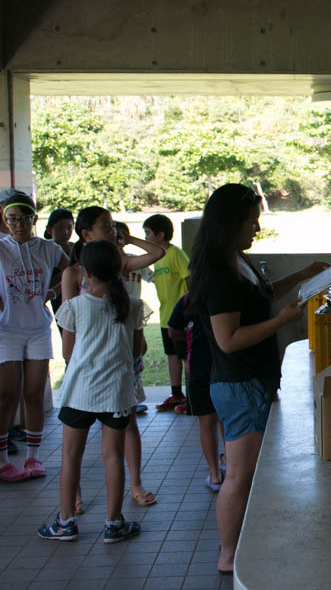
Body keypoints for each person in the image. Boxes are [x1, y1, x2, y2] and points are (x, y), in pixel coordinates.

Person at [188, 183, 328, 574]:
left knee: (247, 473)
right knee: (239, 474)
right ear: (231, 224)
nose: (257, 229)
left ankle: (239, 545)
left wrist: (303, 276)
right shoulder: (219, 274)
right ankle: (228, 554)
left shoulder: (237, 261)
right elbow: (228, 340)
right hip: (239, 384)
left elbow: (260, 297)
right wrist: (281, 322)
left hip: (252, 382)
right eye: (252, 222)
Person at [37, 241, 143, 542]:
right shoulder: (132, 306)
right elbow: (136, 351)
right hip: (117, 393)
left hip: (79, 392)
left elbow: (68, 353)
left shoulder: (74, 307)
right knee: (113, 457)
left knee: (70, 456)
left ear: (84, 272)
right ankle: (114, 523)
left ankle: (66, 522)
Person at [62, 207, 164, 508]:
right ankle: (101, 511)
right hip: (101, 370)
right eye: (106, 226)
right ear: (86, 234)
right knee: (105, 451)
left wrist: (128, 237)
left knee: (86, 447)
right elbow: (74, 327)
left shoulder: (118, 265)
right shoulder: (76, 275)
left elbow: (158, 252)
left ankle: (132, 484)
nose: (112, 230)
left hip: (106, 370)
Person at [0, 194, 70, 482]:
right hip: (6, 331)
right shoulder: (1, 248)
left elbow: (72, 269)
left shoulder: (48, 248)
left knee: (33, 393)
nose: (18, 224)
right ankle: (4, 461)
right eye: (12, 219)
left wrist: (53, 291)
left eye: (24, 218)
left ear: (34, 219)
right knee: (7, 396)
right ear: (5, 220)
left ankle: (33, 458)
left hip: (39, 328)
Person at [168, 291, 224, 491]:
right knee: (226, 418)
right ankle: (230, 464)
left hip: (198, 369)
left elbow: (173, 331)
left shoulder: (187, 300)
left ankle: (215, 474)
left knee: (206, 422)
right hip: (225, 367)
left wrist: (191, 337)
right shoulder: (226, 295)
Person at [143, 214, 190, 413]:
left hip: (182, 317)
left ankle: (194, 396)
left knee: (187, 357)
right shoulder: (158, 257)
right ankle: (176, 394)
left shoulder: (175, 254)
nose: (145, 238)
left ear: (160, 234)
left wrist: (189, 310)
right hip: (165, 317)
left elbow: (190, 278)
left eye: (148, 234)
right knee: (172, 355)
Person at [115, 221, 152, 416]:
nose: (117, 241)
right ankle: (124, 398)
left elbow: (155, 273)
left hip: (134, 314)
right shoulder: (104, 264)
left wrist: (130, 240)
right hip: (114, 318)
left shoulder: (135, 262)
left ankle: (133, 396)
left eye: (120, 237)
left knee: (138, 351)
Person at [44, 208, 74, 315]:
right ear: (49, 230)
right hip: (57, 297)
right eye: (60, 228)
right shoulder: (45, 250)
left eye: (69, 228)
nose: (65, 232)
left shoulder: (77, 248)